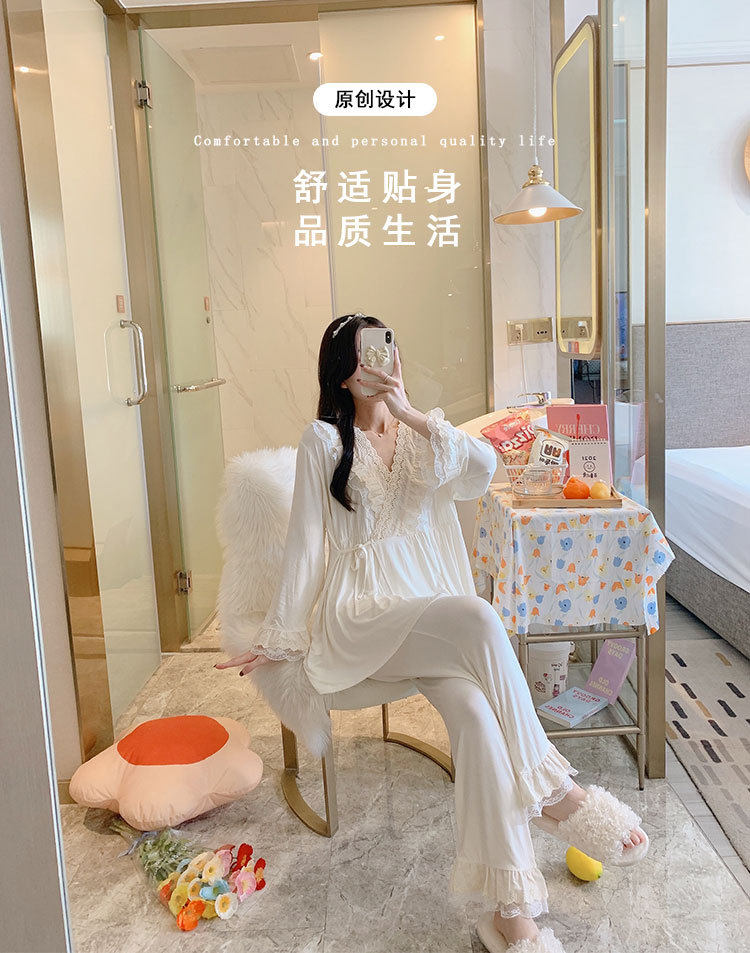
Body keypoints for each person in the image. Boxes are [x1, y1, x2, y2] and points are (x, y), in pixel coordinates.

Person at [216, 313, 648, 953]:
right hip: (361, 616)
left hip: (429, 615)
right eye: (362, 353)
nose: (378, 360)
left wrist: (411, 413)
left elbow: (482, 468)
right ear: (341, 371)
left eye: (385, 346)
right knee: (478, 616)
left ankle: (511, 913)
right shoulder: (323, 441)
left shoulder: (425, 434)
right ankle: (556, 790)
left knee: (476, 718)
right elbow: (305, 546)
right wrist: (277, 635)